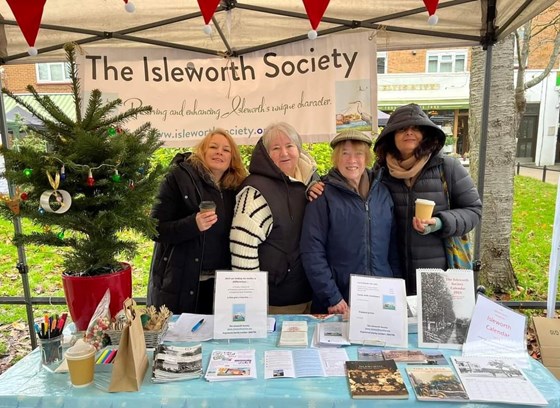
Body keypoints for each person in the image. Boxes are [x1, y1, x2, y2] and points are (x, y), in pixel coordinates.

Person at [373, 103, 482, 295]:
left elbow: (473, 210)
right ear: (391, 136)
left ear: (425, 134)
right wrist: (317, 186)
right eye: (402, 129)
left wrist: (441, 222)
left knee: (434, 323)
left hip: (438, 272)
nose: (409, 132)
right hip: (392, 272)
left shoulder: (447, 167)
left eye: (415, 128)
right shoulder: (380, 172)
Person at [300, 129, 402, 314]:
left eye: (358, 154)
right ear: (336, 158)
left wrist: (394, 287)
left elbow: (393, 248)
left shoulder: (382, 193)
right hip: (339, 301)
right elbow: (312, 251)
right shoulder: (323, 196)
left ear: (367, 158)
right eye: (345, 154)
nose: (352, 160)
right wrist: (332, 296)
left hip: (380, 297)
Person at [148, 129, 247, 314]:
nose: (220, 152)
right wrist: (192, 225)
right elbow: (154, 229)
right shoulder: (177, 178)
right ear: (202, 151)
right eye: (214, 147)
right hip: (182, 283)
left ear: (232, 158)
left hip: (223, 286)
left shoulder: (236, 187)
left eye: (226, 150)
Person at [230, 122, 319, 314]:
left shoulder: (308, 181)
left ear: (298, 149)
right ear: (266, 155)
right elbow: (242, 248)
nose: (284, 153)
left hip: (311, 295)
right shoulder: (255, 191)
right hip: (276, 303)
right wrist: (252, 302)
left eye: (289, 146)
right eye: (276, 148)